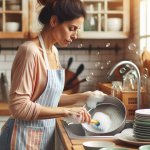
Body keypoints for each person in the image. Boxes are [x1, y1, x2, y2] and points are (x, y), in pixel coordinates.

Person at [0, 0, 105, 149]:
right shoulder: (30, 51)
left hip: (42, 136)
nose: (75, 35)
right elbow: (19, 107)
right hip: (20, 138)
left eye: (77, 29)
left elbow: (49, 99)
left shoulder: (53, 52)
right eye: (72, 28)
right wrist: (65, 112)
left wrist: (85, 96)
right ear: (54, 21)